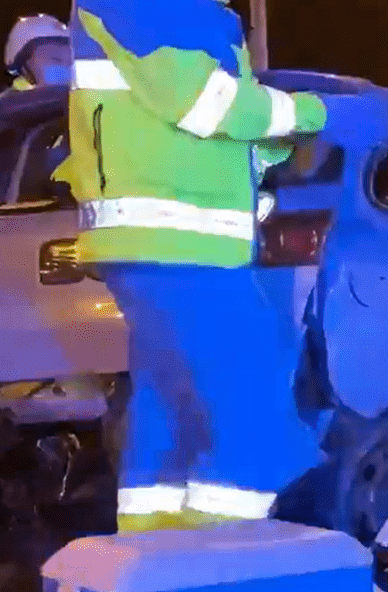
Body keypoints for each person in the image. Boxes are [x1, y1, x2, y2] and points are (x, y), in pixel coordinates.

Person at [60, 0, 355, 532]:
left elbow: (193, 128)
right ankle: (221, 548)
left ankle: (152, 545)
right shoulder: (171, 6)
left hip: (152, 246)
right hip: (181, 244)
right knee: (254, 398)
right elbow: (208, 104)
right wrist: (322, 113)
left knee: (171, 402)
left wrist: (274, 146)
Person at [2, 14, 67, 97]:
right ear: (23, 66)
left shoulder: (76, 99)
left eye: (70, 60)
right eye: (56, 59)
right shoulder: (8, 103)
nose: (67, 66)